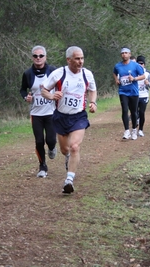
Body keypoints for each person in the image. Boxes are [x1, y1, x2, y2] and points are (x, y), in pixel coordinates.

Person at [41, 46, 97, 194]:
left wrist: (93, 102)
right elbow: (44, 90)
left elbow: (92, 89)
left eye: (82, 58)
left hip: (79, 116)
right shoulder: (59, 74)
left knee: (74, 147)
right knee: (65, 149)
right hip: (60, 116)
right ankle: (68, 158)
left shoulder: (87, 74)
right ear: (69, 59)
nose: (80, 62)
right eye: (77, 58)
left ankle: (69, 180)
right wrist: (52, 96)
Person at [20, 45, 57, 178]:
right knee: (39, 141)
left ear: (45, 57)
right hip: (36, 113)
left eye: (41, 56)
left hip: (51, 112)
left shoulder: (53, 71)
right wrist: (26, 97)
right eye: (35, 56)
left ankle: (52, 148)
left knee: (51, 140)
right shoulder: (28, 73)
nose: (38, 58)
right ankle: (42, 166)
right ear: (32, 57)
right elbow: (23, 89)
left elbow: (61, 85)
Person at [113, 47, 145, 140]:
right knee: (124, 110)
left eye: (126, 53)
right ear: (121, 55)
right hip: (123, 91)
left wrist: (134, 79)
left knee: (134, 112)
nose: (124, 55)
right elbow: (114, 73)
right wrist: (116, 79)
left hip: (134, 92)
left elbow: (143, 76)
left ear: (129, 54)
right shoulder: (118, 66)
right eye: (122, 53)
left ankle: (134, 130)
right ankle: (126, 130)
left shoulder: (135, 65)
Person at [136, 55, 150, 137]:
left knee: (142, 112)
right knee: (134, 113)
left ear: (144, 64)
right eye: (138, 63)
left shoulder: (148, 73)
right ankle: (136, 122)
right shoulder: (133, 72)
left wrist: (148, 84)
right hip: (135, 95)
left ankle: (140, 130)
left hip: (144, 95)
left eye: (142, 63)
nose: (140, 65)